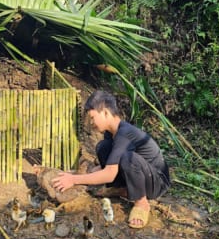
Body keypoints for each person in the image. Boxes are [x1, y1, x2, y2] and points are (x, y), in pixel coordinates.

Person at [52, 90, 170, 228]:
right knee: (103, 147)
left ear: (106, 113)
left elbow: (109, 173)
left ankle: (142, 202)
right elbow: (108, 166)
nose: (91, 123)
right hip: (141, 176)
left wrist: (73, 180)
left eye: (92, 117)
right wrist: (77, 174)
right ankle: (123, 189)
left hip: (157, 182)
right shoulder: (111, 134)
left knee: (128, 158)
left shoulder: (125, 133)